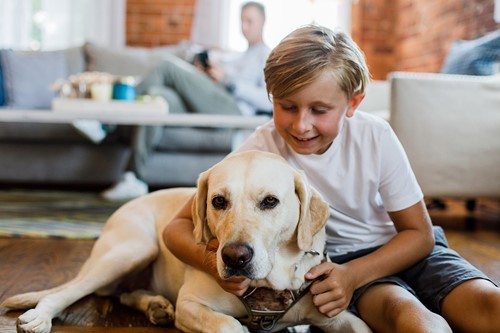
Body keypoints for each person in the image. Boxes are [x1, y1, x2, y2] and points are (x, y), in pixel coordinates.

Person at [162, 25, 500, 332]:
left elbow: (420, 235)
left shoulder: (375, 136)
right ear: (271, 99)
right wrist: (216, 267)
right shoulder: (259, 152)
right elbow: (175, 229)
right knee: (414, 319)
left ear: (352, 103)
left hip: (406, 254)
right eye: (287, 106)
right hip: (344, 266)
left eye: (319, 110)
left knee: (488, 304)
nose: (301, 125)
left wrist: (355, 274)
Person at [91, 1, 271, 201]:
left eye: (250, 21)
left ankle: (108, 120)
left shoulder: (266, 55)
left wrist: (230, 82)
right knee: (159, 99)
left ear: (263, 22)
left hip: (233, 110)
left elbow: (268, 100)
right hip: (210, 102)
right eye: (242, 21)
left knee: (167, 66)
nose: (244, 26)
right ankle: (135, 178)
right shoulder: (238, 56)